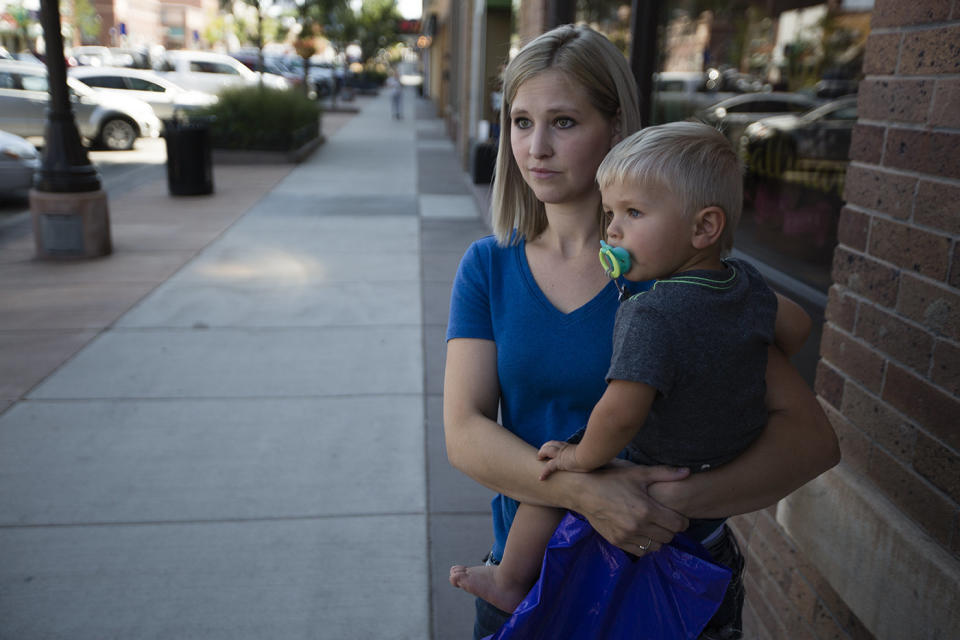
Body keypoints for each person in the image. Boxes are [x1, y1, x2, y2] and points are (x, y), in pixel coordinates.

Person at [442, 24, 839, 640]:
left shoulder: (679, 279)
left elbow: (811, 442)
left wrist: (663, 504)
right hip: (524, 580)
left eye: (564, 122)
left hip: (668, 582)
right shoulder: (489, 265)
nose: (536, 146)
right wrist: (590, 495)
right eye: (521, 121)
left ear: (618, 130)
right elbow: (465, 434)